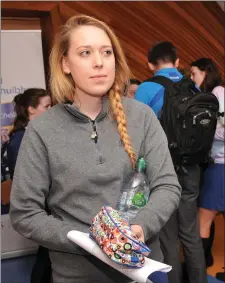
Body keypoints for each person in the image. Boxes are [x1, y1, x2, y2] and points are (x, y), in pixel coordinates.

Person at [10, 15, 181, 283]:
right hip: (77, 275)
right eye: (85, 53)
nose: (99, 62)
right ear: (65, 63)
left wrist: (140, 226)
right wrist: (86, 240)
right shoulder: (42, 130)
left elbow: (167, 185)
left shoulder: (142, 116)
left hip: (145, 269)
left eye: (106, 52)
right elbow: (25, 213)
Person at [135, 41, 208, 283]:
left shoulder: (146, 89)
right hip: (192, 166)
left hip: (162, 168)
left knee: (168, 235)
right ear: (177, 62)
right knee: (191, 232)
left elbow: (136, 133)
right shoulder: (193, 87)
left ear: (149, 64)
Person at [6, 88, 52, 283]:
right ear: (31, 110)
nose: (51, 110)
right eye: (46, 106)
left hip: (48, 203)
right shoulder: (20, 139)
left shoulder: (36, 134)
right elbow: (25, 179)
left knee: (49, 254)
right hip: (41, 206)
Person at [190, 58, 224, 279]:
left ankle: (198, 274)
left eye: (194, 73)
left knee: (203, 220)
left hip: (220, 165)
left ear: (205, 72)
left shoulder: (218, 94)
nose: (192, 78)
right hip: (219, 163)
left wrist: (205, 132)